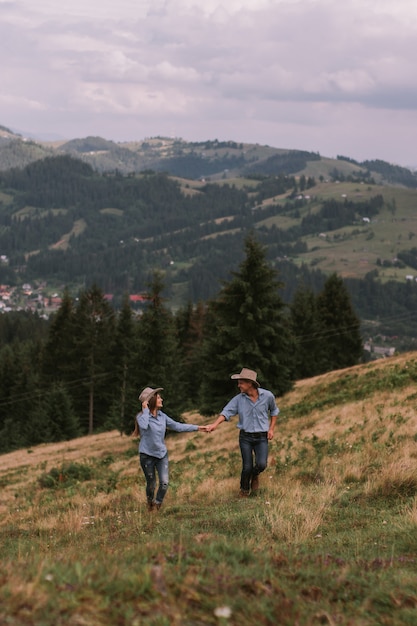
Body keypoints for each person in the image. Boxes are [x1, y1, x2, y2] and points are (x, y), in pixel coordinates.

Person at [206, 368, 279, 497]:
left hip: (262, 436)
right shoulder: (238, 399)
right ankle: (244, 490)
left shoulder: (267, 396)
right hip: (245, 437)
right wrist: (215, 424)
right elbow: (226, 412)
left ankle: (255, 475)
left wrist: (271, 428)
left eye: (241, 383)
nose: (238, 385)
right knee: (247, 467)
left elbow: (274, 411)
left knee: (262, 464)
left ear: (250, 383)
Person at [133, 386, 208, 511]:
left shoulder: (162, 416)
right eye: (158, 397)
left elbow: (178, 426)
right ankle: (150, 504)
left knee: (164, 483)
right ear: (151, 401)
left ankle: (157, 505)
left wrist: (199, 428)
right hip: (147, 456)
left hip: (161, 454)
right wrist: (145, 410)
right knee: (151, 484)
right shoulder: (142, 417)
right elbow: (144, 426)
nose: (161, 399)